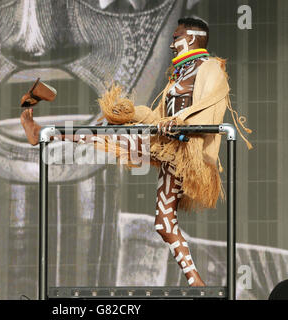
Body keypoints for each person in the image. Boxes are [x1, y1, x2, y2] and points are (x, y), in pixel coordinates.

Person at [21, 17, 252, 287]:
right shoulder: (179, 75)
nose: (171, 44)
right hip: (169, 149)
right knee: (164, 223)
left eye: (175, 37)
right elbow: (158, 116)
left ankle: (42, 134)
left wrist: (178, 122)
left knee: (108, 138)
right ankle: (196, 282)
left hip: (187, 151)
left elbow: (211, 103)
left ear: (190, 38)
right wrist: (132, 114)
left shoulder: (210, 67)